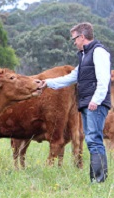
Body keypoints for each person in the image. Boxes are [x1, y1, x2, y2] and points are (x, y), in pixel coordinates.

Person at [40, 22, 110, 183]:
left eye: (74, 39)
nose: (74, 42)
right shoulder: (85, 55)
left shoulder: (98, 52)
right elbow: (71, 77)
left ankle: (99, 180)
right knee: (91, 139)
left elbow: (103, 78)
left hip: (94, 103)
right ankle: (96, 179)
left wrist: (96, 100)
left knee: (94, 139)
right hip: (87, 103)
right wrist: (48, 82)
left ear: (82, 37)